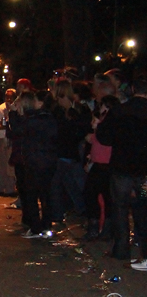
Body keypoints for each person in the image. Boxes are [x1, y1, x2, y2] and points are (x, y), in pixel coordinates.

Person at [95, 77, 147, 265]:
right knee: (142, 207)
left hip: (122, 169)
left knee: (120, 207)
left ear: (133, 88)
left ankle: (121, 248)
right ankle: (144, 250)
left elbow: (104, 137)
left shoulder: (120, 111)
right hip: (144, 172)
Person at [10, 90, 58, 239]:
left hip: (35, 160)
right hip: (48, 159)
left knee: (31, 194)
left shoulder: (32, 120)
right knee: (45, 194)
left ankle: (36, 227)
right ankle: (46, 225)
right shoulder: (48, 118)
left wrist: (13, 114)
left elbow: (17, 131)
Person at [50, 79, 90, 225]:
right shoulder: (58, 110)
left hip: (71, 151)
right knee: (69, 182)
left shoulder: (79, 110)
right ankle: (80, 209)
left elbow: (82, 129)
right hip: (63, 151)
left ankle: (59, 214)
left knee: (63, 182)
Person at [83, 94, 120, 240]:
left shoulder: (108, 124)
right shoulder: (104, 123)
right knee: (97, 196)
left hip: (105, 164)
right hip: (100, 163)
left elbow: (102, 142)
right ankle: (100, 227)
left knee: (96, 195)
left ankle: (101, 228)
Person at [0, 88, 17, 196]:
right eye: (7, 97)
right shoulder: (0, 109)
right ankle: (4, 188)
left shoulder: (15, 108)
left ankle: (3, 187)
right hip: (1, 138)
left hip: (10, 138)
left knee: (8, 164)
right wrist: (3, 127)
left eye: (11, 97)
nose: (9, 99)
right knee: (4, 163)